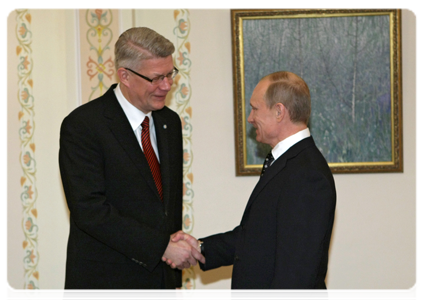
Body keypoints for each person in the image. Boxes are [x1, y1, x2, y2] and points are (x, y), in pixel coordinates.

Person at [59, 27, 204, 300]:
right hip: (106, 286)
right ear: (124, 75)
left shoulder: (168, 122)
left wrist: (173, 283)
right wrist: (161, 247)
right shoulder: (84, 126)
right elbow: (89, 211)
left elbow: (169, 210)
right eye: (156, 78)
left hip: (159, 285)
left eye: (170, 74)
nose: (167, 85)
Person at [167, 71, 336, 299]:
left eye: (255, 108)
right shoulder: (288, 163)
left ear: (279, 111)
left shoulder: (307, 174)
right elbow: (256, 238)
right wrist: (200, 248)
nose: (250, 117)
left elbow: (296, 275)